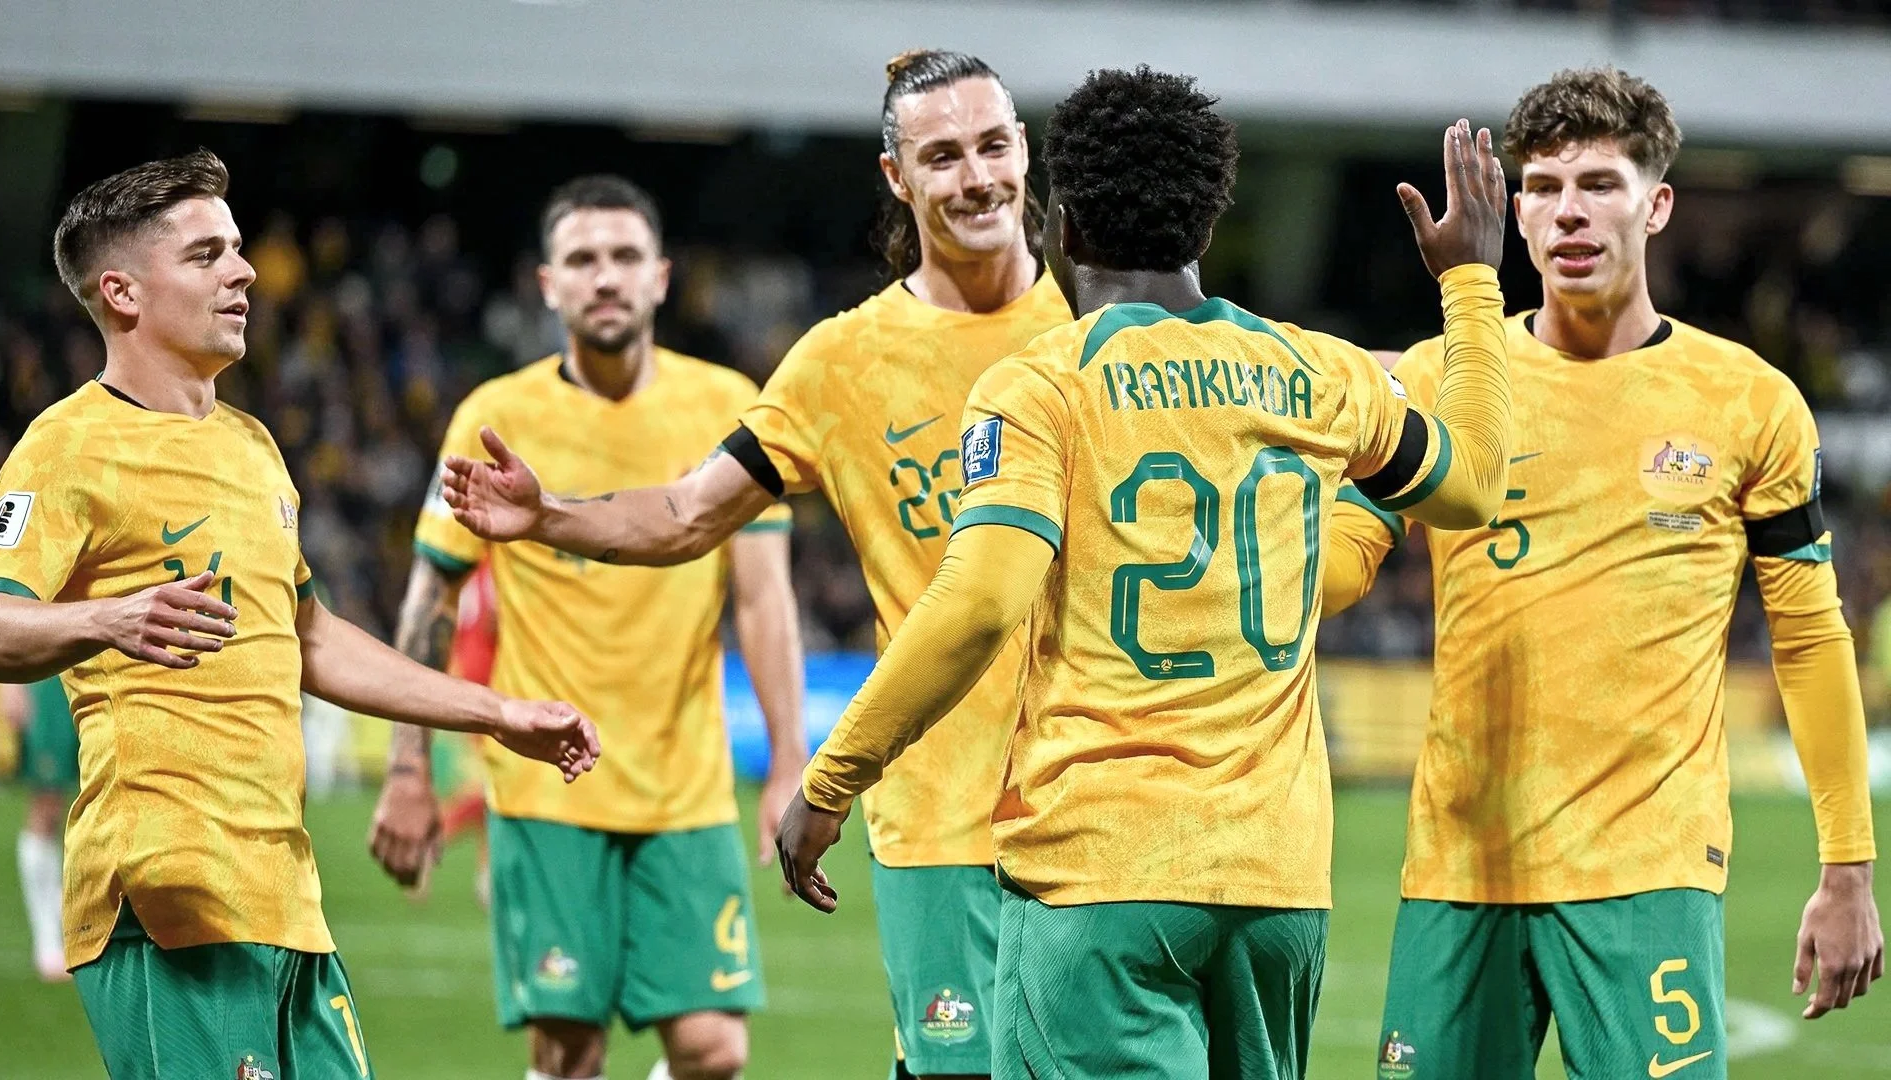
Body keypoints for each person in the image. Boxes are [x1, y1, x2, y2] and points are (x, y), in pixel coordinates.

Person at [767, 66, 1513, 1079]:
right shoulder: (1318, 375)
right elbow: (1468, 487)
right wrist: (1471, 287)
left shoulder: (1039, 387)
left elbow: (980, 600)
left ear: (1063, 225)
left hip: (1099, 872)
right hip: (1276, 886)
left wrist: (833, 775)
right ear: (1210, 221)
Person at [427, 50, 1072, 1080]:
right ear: (897, 178)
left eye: (994, 146)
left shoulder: (1099, 323)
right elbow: (687, 513)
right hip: (941, 821)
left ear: (1026, 152)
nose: (976, 177)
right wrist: (549, 514)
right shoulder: (843, 361)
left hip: (1106, 805)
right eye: (941, 156)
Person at [0, 150, 600, 1080]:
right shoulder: (67, 447)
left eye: (237, 247)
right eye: (206, 254)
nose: (246, 269)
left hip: (284, 894)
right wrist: (108, 620)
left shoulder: (252, 446)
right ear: (122, 291)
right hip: (166, 891)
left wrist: (499, 712)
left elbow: (307, 635)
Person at [1316, 67, 1884, 1080]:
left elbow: (1807, 639)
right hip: (1460, 866)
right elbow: (1341, 568)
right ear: (1515, 213)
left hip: (1648, 874)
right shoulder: (1441, 378)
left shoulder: (1750, 403)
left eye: (1600, 183)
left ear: (1657, 203)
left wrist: (1848, 867)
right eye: (1541, 187)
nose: (1568, 211)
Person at [367, 174, 806, 1080]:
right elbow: (431, 600)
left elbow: (765, 599)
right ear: (547, 285)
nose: (604, 277)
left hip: (686, 786)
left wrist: (790, 764)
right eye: (582, 260)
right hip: (548, 791)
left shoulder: (729, 406)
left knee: (714, 1049)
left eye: (624, 257)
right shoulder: (495, 418)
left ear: (661, 278)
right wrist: (407, 768)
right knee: (569, 1052)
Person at [6, 676, 76, 981]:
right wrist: (9, 684)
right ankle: (47, 940)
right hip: (49, 678)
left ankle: (81, 925)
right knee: (47, 805)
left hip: (105, 669)